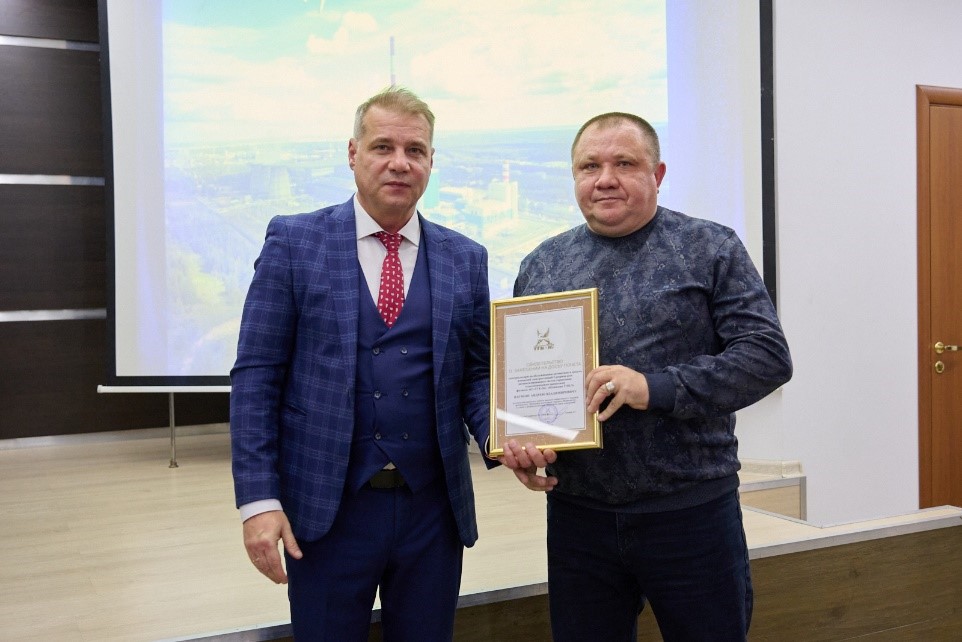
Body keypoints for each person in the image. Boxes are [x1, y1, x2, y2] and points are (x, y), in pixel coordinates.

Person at [501, 112, 793, 641]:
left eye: (624, 164)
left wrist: (654, 387)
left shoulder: (710, 248)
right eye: (589, 166)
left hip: (690, 512)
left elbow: (767, 356)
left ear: (657, 174)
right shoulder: (542, 264)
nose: (605, 179)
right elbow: (521, 380)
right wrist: (522, 442)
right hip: (578, 517)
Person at [230, 87, 494, 641]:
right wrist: (258, 500)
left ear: (431, 161)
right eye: (382, 147)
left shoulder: (466, 258)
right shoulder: (295, 242)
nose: (400, 163)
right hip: (326, 511)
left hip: (432, 514)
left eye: (415, 150)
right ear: (353, 153)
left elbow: (475, 375)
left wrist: (506, 437)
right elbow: (256, 377)